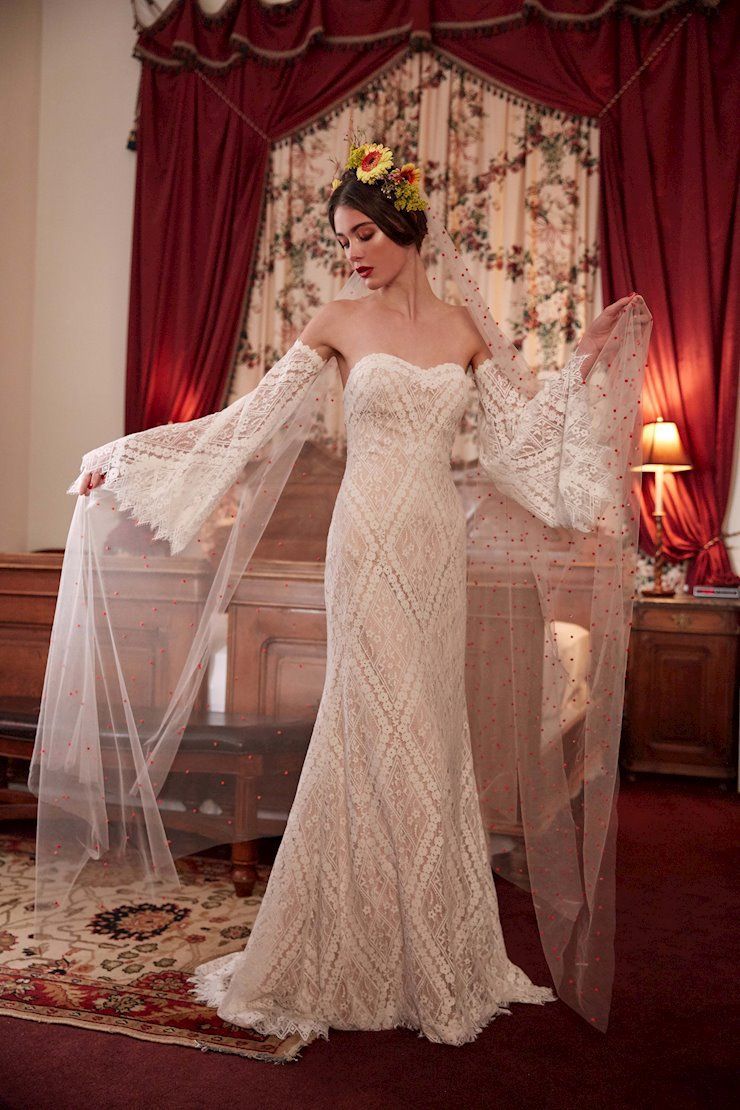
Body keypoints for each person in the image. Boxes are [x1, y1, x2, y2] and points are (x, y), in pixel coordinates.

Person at [35, 141, 650, 1046]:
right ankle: (345, 933)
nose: (353, 251)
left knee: (428, 725)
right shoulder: (335, 321)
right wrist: (124, 458)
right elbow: (246, 423)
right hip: (362, 544)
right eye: (342, 239)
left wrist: (583, 366)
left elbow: (524, 447)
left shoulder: (468, 333)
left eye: (364, 233)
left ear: (405, 226)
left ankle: (436, 941)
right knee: (371, 718)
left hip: (434, 545)